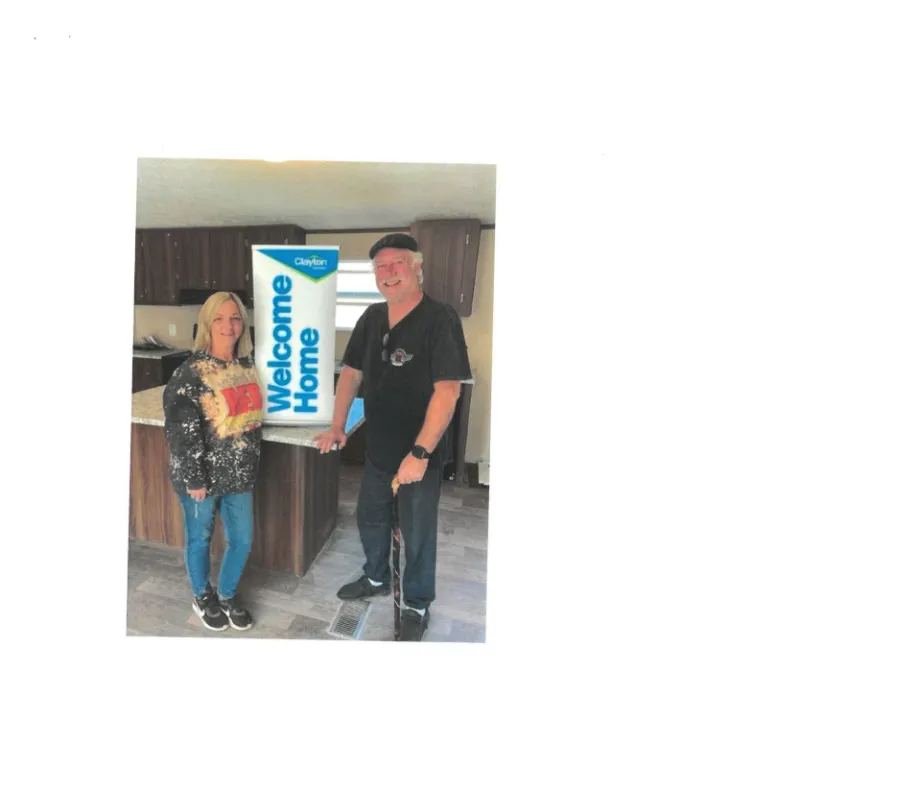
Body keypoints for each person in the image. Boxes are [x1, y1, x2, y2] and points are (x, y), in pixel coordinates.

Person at [314, 233, 472, 641]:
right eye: (380, 267)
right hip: (379, 448)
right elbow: (351, 373)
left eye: (397, 262)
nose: (388, 272)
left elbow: (448, 390)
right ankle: (376, 577)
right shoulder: (371, 318)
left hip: (420, 454)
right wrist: (337, 425)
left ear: (417, 267)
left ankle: (416, 603)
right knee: (370, 516)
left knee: (417, 532)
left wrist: (419, 452)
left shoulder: (440, 319)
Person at [163, 291, 263, 632]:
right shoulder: (190, 373)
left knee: (242, 540)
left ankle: (227, 595)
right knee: (200, 540)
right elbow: (181, 431)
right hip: (200, 478)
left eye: (235, 318)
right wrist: (194, 478)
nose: (228, 325)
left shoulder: (247, 367)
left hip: (240, 474)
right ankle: (202, 595)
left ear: (243, 324)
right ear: (207, 324)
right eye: (219, 319)